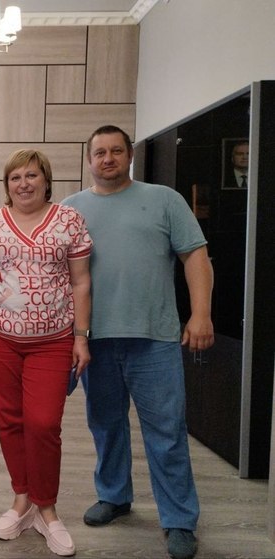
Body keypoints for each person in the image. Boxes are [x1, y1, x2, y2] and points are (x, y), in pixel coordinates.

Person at [62, 125, 215, 559]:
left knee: (166, 432)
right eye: (100, 152)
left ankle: (179, 518)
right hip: (94, 340)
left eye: (116, 151)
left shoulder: (165, 200)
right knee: (105, 424)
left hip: (155, 338)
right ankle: (114, 496)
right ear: (89, 160)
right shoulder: (71, 210)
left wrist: (200, 314)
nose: (108, 158)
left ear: (129, 155)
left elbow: (196, 257)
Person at [0, 149, 91, 556]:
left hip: (52, 341)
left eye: (32, 175)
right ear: (7, 185)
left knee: (43, 423)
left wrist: (81, 337)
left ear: (46, 180)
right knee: (10, 421)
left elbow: (81, 282)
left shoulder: (69, 220)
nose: (24, 183)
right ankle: (22, 499)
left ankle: (46, 508)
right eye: (16, 177)